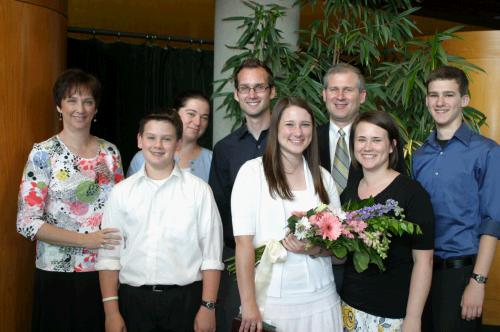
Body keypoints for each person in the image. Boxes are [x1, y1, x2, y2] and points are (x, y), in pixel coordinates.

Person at [16, 68, 124, 332]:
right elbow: (26, 222)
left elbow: (123, 210)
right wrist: (85, 240)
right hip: (57, 274)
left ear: (96, 108)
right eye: (72, 100)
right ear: (59, 106)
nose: (80, 108)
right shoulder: (43, 154)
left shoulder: (110, 153)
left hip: (105, 272)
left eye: (88, 101)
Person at [96, 111, 224, 332]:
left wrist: (208, 307)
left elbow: (212, 256)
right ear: (139, 140)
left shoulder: (199, 191)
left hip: (186, 301)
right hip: (133, 301)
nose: (158, 145)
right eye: (151, 137)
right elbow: (109, 257)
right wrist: (111, 313)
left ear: (178, 144)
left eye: (166, 138)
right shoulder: (121, 192)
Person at [232, 97, 343, 332]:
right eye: (289, 124)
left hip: (321, 300)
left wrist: (314, 249)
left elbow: (340, 249)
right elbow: (243, 244)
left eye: (305, 124)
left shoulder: (323, 178)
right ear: (275, 128)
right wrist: (249, 304)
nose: (298, 132)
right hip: (271, 303)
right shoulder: (251, 174)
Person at [412, 66, 500, 331]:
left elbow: (493, 221)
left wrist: (478, 281)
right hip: (419, 272)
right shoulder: (419, 156)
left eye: (448, 95)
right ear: (427, 100)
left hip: (460, 274)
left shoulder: (487, 152)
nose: (440, 102)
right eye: (434, 95)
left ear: (464, 100)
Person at [340, 111, 434, 331]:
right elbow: (343, 252)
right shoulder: (349, 192)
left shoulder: (412, 193)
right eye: (361, 139)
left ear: (392, 146)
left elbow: (424, 261)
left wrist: (413, 317)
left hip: (393, 313)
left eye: (376, 140)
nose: (368, 147)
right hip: (349, 307)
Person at [209, 58, 276, 331]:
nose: (252, 94)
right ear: (236, 94)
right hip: (239, 262)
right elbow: (220, 210)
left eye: (259, 87)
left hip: (288, 258)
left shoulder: (295, 140)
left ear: (272, 92)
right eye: (245, 88)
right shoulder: (225, 149)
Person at [317, 63, 367, 292]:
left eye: (347, 89)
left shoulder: (378, 140)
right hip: (317, 260)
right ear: (324, 95)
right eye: (334, 89)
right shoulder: (305, 140)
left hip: (366, 262)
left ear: (362, 95)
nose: (340, 96)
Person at [127, 90, 212, 182]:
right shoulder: (142, 158)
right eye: (191, 114)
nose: (198, 122)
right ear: (175, 113)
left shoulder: (212, 159)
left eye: (204, 117)